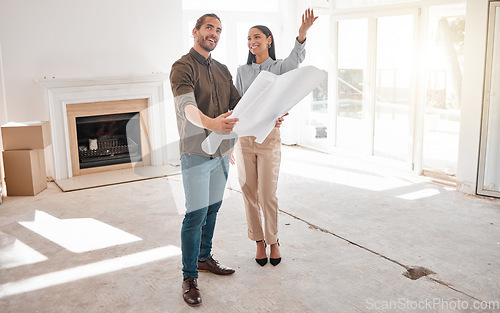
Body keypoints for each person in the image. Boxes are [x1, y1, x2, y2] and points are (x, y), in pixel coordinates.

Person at [232, 8, 317, 267]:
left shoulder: (280, 68)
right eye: (248, 38)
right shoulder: (242, 71)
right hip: (244, 138)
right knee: (249, 193)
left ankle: (273, 240)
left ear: (269, 40)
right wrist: (229, 142)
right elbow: (238, 106)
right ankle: (258, 242)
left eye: (257, 36)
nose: (252, 41)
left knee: (267, 193)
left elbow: (295, 61)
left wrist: (301, 35)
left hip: (269, 139)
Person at [170, 13, 241, 306]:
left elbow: (239, 107)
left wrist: (269, 118)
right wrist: (211, 123)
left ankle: (203, 257)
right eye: (209, 27)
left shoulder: (223, 70)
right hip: (196, 153)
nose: (214, 33)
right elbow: (186, 106)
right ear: (195, 31)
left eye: (219, 30)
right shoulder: (182, 67)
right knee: (195, 215)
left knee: (213, 209)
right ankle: (189, 276)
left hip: (222, 152)